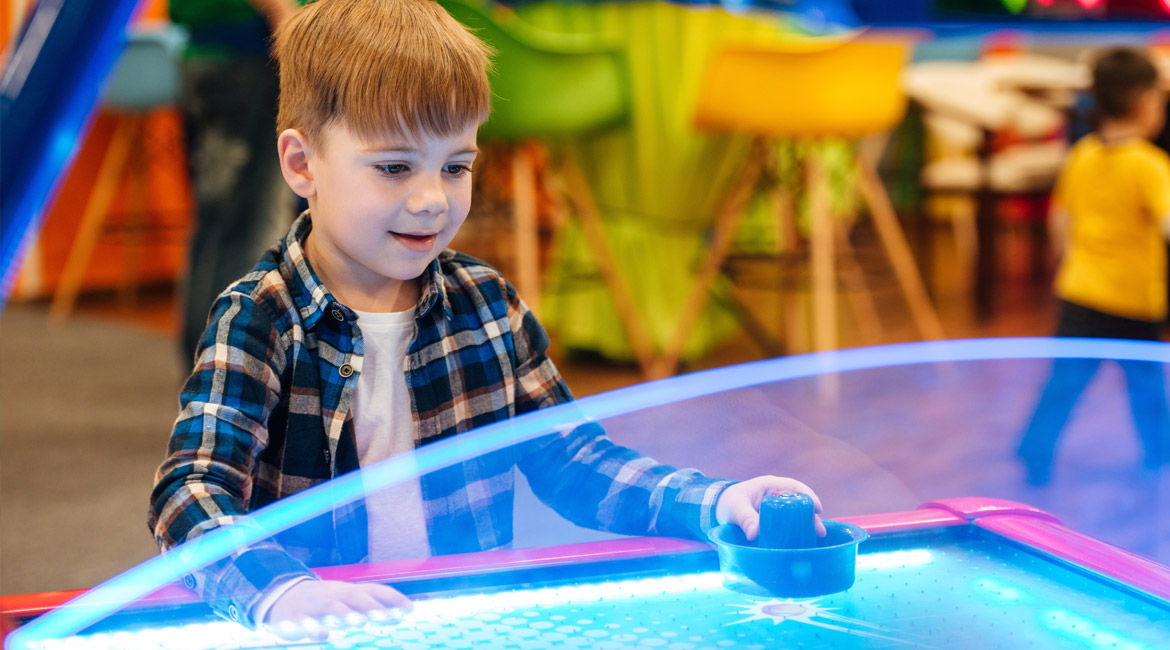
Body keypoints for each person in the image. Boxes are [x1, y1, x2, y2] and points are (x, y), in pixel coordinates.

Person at [148, 0, 826, 641]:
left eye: (456, 166)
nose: (431, 199)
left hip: (463, 624)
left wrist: (712, 504)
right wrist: (278, 593)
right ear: (303, 164)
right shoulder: (260, 316)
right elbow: (190, 493)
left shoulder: (487, 303)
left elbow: (574, 460)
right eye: (394, 167)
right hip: (320, 633)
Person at [1016, 47, 1170, 486]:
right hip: (1133, 301)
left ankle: (1035, 450)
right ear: (1145, 102)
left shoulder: (1082, 153)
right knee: (1147, 388)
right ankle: (1160, 458)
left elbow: (1059, 221)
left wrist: (1066, 264)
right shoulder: (1150, 164)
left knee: (1064, 381)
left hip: (1080, 291)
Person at [170, 0, 306, 366]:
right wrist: (285, 20)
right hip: (252, 58)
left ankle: (206, 369)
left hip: (211, 54)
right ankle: (233, 368)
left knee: (220, 225)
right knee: (251, 227)